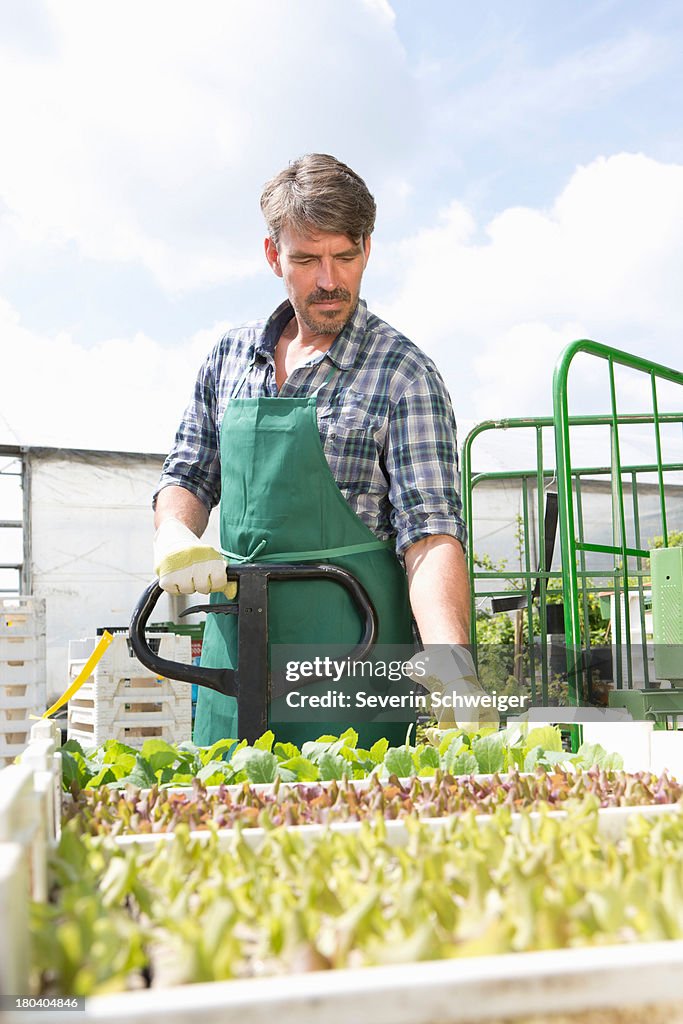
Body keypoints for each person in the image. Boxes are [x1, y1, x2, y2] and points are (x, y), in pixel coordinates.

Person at [153, 153, 475, 747]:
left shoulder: (401, 373)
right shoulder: (229, 359)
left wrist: (452, 666)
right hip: (234, 661)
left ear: (367, 249)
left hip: (351, 664)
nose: (330, 280)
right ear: (274, 255)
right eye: (306, 259)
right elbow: (189, 475)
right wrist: (176, 534)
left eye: (345, 257)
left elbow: (430, 537)